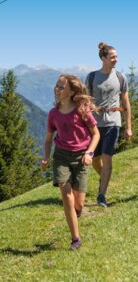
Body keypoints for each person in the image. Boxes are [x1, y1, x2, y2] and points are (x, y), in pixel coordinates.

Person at [41, 74, 100, 250]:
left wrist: (89, 153)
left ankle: (77, 213)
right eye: (56, 85)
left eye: (61, 87)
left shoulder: (82, 109)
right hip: (61, 156)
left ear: (72, 91)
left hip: (81, 157)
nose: (57, 89)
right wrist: (46, 157)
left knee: (78, 204)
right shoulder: (53, 113)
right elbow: (48, 139)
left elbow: (96, 134)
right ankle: (75, 239)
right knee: (66, 193)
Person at [85, 42, 132, 208]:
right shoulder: (91, 77)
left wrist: (128, 127)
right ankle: (104, 176)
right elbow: (86, 100)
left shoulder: (120, 77)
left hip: (113, 121)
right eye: (112, 57)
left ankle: (101, 196)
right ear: (103, 58)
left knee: (107, 158)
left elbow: (126, 102)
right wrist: (90, 108)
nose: (116, 60)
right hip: (95, 124)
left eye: (116, 56)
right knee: (95, 160)